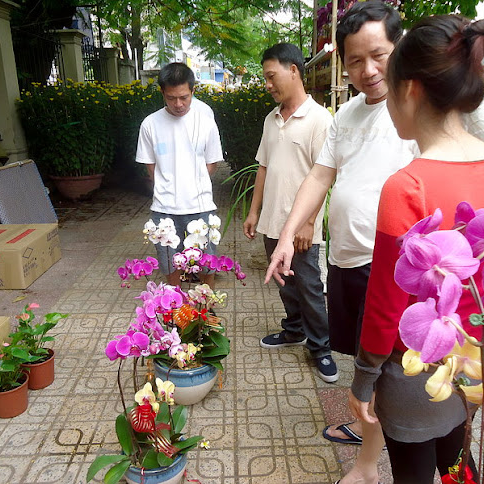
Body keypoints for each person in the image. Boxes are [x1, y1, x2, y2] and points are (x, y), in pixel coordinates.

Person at [263, 3, 484, 483]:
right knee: (419, 400)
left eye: (378, 55)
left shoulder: (441, 118)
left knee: (404, 388)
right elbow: (321, 174)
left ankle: (386, 449)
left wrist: (365, 375)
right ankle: (368, 460)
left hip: (425, 285)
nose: (368, 70)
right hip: (359, 264)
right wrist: (288, 233)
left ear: (404, 63)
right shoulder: (349, 115)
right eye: (354, 61)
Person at [345, 15, 484, 483]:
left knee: (413, 473)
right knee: (456, 457)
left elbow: (386, 303)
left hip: (416, 368)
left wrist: (364, 378)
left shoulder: (407, 187)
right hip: (482, 360)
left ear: (408, 89)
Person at [242, 43, 337, 383]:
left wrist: (310, 222)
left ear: (294, 70)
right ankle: (294, 329)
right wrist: (254, 212)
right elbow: (263, 168)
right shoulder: (272, 120)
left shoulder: (320, 120)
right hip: (272, 223)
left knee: (310, 286)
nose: (267, 84)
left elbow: (325, 175)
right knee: (286, 284)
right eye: (265, 78)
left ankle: (321, 347)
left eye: (271, 76)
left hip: (300, 229)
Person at [136, 62, 224, 287]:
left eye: (184, 97)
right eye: (171, 98)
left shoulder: (205, 123)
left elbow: (211, 163)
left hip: (201, 206)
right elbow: (151, 166)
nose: (178, 104)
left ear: (193, 91)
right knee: (168, 264)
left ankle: (206, 310)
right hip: (164, 208)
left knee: (206, 264)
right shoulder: (150, 124)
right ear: (162, 93)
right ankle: (173, 310)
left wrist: (194, 185)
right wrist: (168, 188)